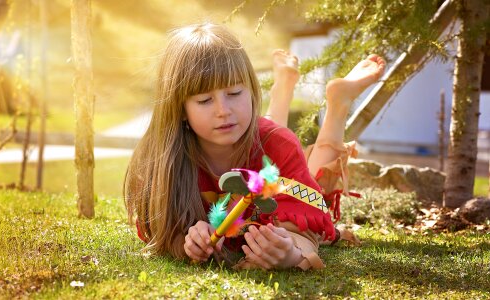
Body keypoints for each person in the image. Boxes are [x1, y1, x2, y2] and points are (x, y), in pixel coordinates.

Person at [124, 23, 385, 270]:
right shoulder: (162, 158)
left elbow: (307, 229)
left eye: (235, 94)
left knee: (316, 180)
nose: (223, 111)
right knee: (266, 142)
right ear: (179, 109)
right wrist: (186, 242)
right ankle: (283, 85)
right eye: (205, 100)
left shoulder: (279, 144)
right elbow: (161, 232)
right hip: (262, 143)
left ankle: (338, 104)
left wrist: (291, 254)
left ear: (251, 90)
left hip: (270, 148)